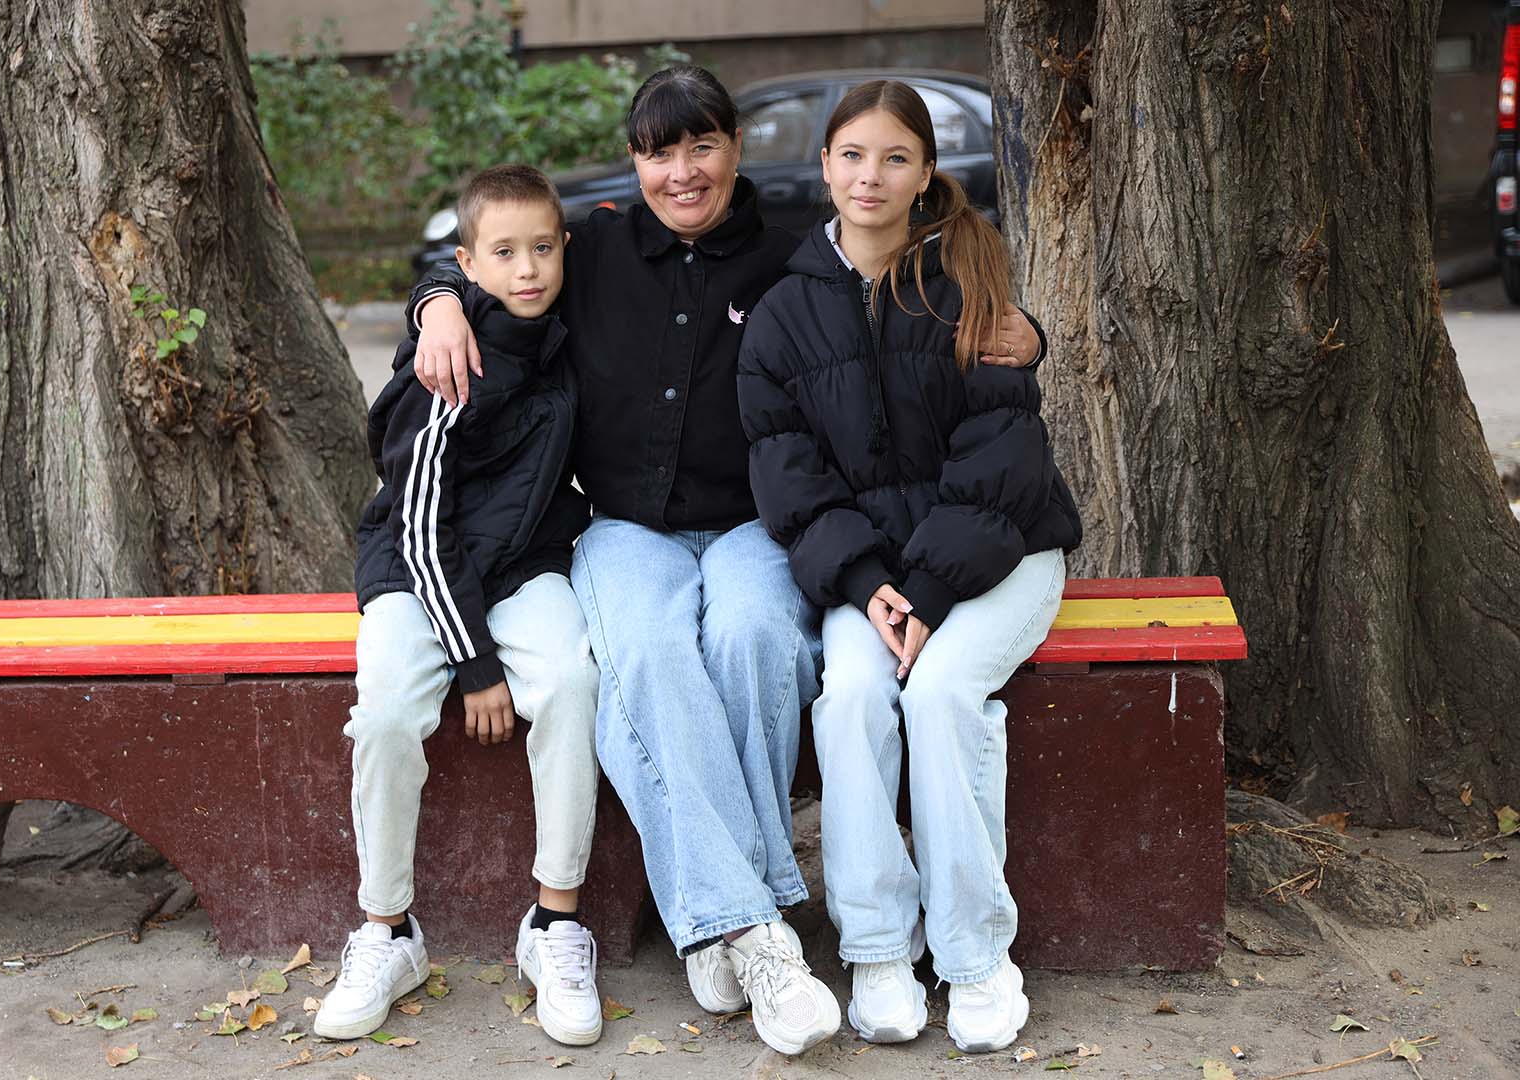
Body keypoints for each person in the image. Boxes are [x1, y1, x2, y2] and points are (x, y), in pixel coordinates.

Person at [408, 66, 1047, 1056]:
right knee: (650, 658)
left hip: (758, 527)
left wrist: (1025, 334)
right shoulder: (601, 249)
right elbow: (501, 252)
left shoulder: (790, 254)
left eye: (702, 145)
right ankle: (748, 926)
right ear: (636, 163)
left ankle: (721, 915)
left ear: (736, 149)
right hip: (623, 528)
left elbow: (890, 277)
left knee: (757, 640)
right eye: (661, 151)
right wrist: (437, 302)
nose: (683, 170)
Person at [737, 80, 1083, 1053]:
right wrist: (867, 587)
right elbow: (788, 478)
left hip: (1000, 558)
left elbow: (1002, 467)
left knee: (936, 700)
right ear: (823, 168)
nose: (870, 177)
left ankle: (975, 959)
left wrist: (928, 592)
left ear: (926, 172)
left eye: (894, 158)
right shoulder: (781, 318)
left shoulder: (969, 285)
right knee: (848, 697)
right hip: (871, 578)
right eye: (851, 156)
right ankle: (879, 948)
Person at [316, 165, 604, 1049]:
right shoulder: (451, 362)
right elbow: (422, 525)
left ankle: (556, 925)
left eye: (543, 249)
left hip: (522, 562)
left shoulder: (563, 319)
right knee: (391, 711)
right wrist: (475, 666)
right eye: (504, 254)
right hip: (418, 566)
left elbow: (608, 245)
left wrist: (435, 289)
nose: (528, 269)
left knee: (569, 681)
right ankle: (387, 930)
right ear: (470, 265)